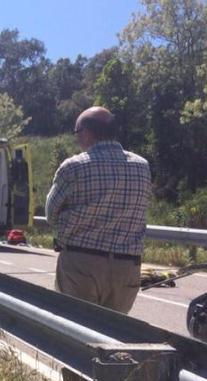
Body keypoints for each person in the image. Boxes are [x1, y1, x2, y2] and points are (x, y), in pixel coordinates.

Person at [46, 106, 151, 313]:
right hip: (127, 268)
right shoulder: (142, 166)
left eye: (77, 133)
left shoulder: (73, 167)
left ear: (86, 132)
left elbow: (51, 213)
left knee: (73, 330)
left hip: (81, 265)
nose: (77, 139)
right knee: (111, 335)